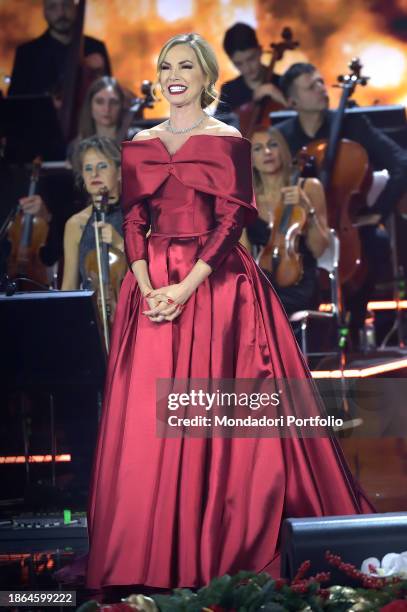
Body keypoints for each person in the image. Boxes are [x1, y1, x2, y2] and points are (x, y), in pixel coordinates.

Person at [85, 33, 373, 591]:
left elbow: (231, 221)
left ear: (205, 76)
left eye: (185, 66)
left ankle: (216, 550)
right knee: (149, 425)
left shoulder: (228, 140)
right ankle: (146, 559)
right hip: (151, 292)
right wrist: (147, 287)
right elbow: (134, 220)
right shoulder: (140, 142)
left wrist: (186, 286)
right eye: (166, 65)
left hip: (217, 291)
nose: (173, 74)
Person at [276, 62, 407, 345]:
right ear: (293, 101)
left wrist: (376, 212)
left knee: (377, 242)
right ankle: (298, 339)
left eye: (321, 82)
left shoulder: (352, 124)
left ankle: (356, 323)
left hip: (349, 222)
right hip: (303, 228)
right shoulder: (284, 137)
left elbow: (401, 163)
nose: (322, 90)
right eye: (311, 86)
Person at [246, 127, 329, 315]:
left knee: (263, 309)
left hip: (300, 280)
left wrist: (308, 209)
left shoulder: (309, 188)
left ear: (283, 150)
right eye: (258, 148)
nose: (267, 152)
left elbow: (319, 248)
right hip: (262, 279)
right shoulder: (247, 198)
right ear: (250, 159)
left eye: (272, 145)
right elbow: (243, 252)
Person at [8, 0, 111, 97]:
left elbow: (109, 94)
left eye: (66, 5)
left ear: (75, 8)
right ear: (45, 12)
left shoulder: (96, 47)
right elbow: (16, 104)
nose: (61, 13)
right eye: (53, 7)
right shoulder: (26, 54)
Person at [61, 136, 124, 291]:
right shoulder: (75, 224)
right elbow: (68, 286)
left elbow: (154, 270)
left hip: (133, 309)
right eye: (88, 168)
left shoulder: (138, 215)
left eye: (102, 166)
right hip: (91, 311)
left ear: (120, 172)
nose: (94, 174)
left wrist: (120, 243)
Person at [216, 23, 286, 116]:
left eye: (251, 59)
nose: (247, 68)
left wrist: (282, 98)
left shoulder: (285, 83)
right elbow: (216, 128)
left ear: (260, 51)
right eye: (239, 64)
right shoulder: (229, 91)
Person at [68, 77, 131, 155]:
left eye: (113, 102)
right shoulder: (76, 147)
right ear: (90, 106)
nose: (107, 109)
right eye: (99, 102)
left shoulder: (134, 140)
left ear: (121, 105)